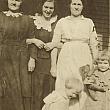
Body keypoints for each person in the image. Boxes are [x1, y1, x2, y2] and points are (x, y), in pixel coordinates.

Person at [45, 0, 98, 109]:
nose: (76, 7)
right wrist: (53, 66)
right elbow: (54, 44)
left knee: (82, 89)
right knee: (63, 86)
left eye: (79, 4)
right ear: (69, 5)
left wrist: (93, 65)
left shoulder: (88, 22)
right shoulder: (62, 22)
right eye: (74, 4)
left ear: (83, 6)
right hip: (66, 57)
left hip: (83, 57)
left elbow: (94, 45)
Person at [0, 0, 36, 110]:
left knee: (22, 88)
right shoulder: (1, 17)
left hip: (21, 58)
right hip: (3, 56)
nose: (14, 3)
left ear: (22, 2)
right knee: (5, 86)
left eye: (18, 0)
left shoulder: (27, 19)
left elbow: (32, 40)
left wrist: (32, 58)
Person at [26, 0, 58, 110]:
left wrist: (53, 44)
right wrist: (32, 58)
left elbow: (60, 42)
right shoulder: (34, 21)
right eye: (46, 7)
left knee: (48, 91)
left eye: (51, 8)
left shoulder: (56, 23)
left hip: (50, 61)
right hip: (36, 61)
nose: (48, 10)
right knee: (36, 91)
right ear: (41, 7)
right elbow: (27, 40)